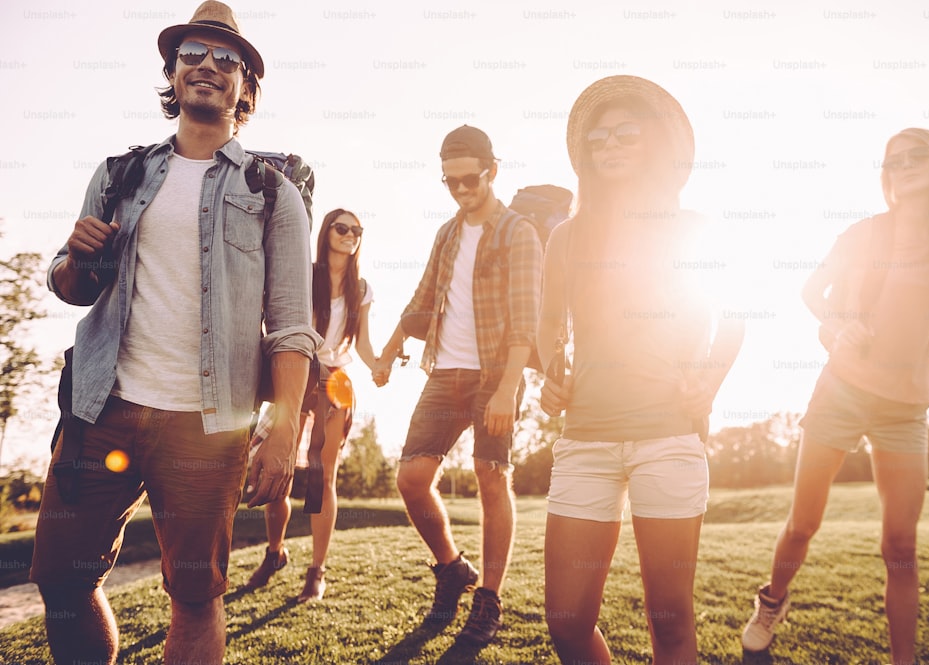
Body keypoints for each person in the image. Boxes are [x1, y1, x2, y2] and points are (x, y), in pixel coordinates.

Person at [29, 3, 320, 664]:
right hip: (102, 407)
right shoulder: (119, 175)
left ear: (246, 87)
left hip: (207, 424)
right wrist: (76, 258)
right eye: (194, 52)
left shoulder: (272, 191)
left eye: (229, 59)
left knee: (194, 594)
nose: (210, 66)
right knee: (61, 578)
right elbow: (73, 284)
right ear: (172, 70)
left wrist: (282, 432)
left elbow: (292, 327)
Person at [741, 128, 929, 665]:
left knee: (901, 548)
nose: (904, 166)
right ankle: (772, 603)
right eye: (894, 160)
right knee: (803, 524)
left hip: (906, 409)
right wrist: (840, 323)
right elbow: (810, 293)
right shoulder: (864, 234)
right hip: (843, 390)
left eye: (918, 157)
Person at [536, 75, 745, 664]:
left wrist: (710, 377)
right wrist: (553, 370)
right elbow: (549, 326)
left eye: (625, 131)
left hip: (669, 438)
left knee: (671, 622)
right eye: (597, 136)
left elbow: (735, 314)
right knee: (567, 622)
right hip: (585, 441)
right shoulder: (567, 237)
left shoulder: (695, 230)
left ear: (656, 142)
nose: (608, 143)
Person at [373, 125, 543, 646]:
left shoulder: (519, 233)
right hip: (444, 372)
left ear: (492, 171)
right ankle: (451, 567)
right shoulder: (447, 234)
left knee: (491, 475)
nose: (462, 190)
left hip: (495, 373)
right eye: (451, 183)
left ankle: (488, 598)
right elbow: (422, 297)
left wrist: (507, 388)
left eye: (470, 179)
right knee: (411, 479)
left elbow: (525, 321)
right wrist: (387, 349)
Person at [244, 208, 378, 602]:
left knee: (323, 480)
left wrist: (382, 365)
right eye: (342, 227)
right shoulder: (306, 272)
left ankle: (317, 572)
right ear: (327, 232)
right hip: (297, 376)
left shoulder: (362, 288)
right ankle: (275, 553)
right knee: (274, 471)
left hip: (336, 383)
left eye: (357, 230)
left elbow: (365, 346)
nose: (350, 234)